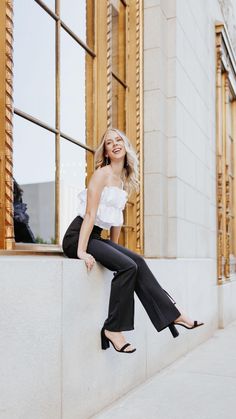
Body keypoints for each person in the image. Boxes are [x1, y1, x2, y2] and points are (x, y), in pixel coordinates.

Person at [62, 128, 204, 354]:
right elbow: (90, 215)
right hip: (78, 235)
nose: (115, 144)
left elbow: (115, 219)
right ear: (106, 152)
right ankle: (113, 329)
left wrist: (116, 250)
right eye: (109, 143)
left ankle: (173, 314)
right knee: (128, 267)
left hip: (95, 236)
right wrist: (80, 251)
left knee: (136, 260)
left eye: (118, 140)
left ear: (125, 146)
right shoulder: (102, 174)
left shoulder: (122, 180)